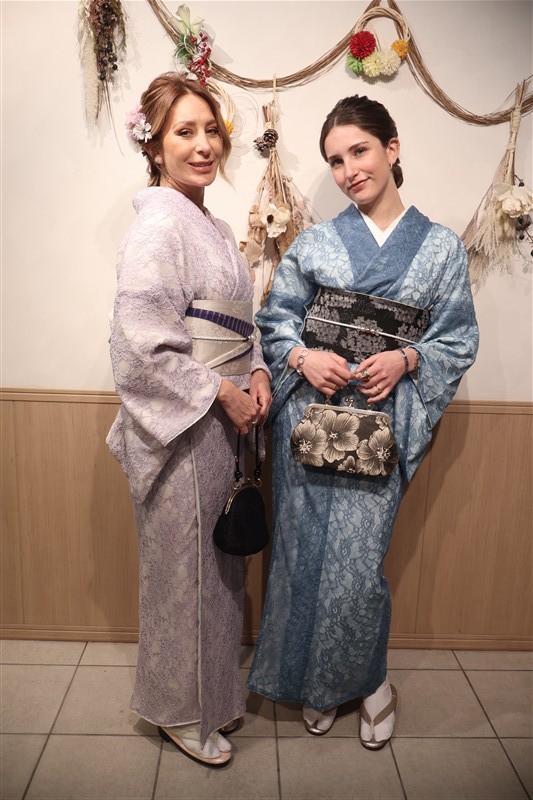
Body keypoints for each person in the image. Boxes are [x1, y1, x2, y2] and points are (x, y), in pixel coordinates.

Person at [247, 94, 478, 750]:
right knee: (299, 555)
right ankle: (312, 686)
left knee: (358, 565)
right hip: (310, 414)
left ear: (391, 148)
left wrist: (407, 358)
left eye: (359, 151)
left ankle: (369, 682)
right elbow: (276, 317)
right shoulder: (317, 243)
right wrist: (302, 356)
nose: (349, 170)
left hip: (382, 422)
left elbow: (457, 337)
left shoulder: (440, 249)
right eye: (335, 161)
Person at [106, 72, 271, 767]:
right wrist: (220, 391)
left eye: (211, 131)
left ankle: (213, 697)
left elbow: (238, 326)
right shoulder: (157, 228)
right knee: (183, 574)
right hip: (185, 429)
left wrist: (256, 370)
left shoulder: (216, 228)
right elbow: (139, 344)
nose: (203, 145)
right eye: (184, 132)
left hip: (220, 423)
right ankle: (178, 710)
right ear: (154, 146)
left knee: (218, 571)